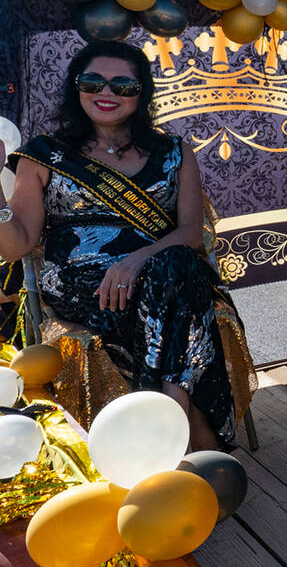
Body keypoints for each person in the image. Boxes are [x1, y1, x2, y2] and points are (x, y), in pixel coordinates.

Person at [0, 41, 241, 450]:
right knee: (179, 282)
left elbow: (190, 231)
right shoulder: (44, 155)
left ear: (141, 92)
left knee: (175, 265)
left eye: (122, 85)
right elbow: (15, 245)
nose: (106, 93)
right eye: (93, 82)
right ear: (76, 90)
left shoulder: (173, 151)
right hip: (84, 286)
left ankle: (166, 416)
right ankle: (188, 425)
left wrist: (136, 260)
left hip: (161, 273)